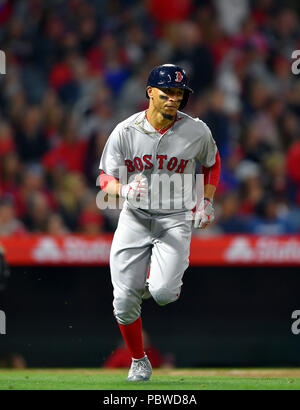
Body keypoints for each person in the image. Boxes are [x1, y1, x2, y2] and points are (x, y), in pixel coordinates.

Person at [99, 64, 221, 381]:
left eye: (179, 94)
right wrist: (123, 189)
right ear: (150, 92)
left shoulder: (197, 130)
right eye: (167, 93)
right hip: (135, 218)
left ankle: (144, 286)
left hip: (175, 219)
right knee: (123, 302)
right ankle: (139, 360)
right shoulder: (125, 131)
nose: (173, 99)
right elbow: (104, 178)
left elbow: (212, 162)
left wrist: (206, 200)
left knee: (164, 292)